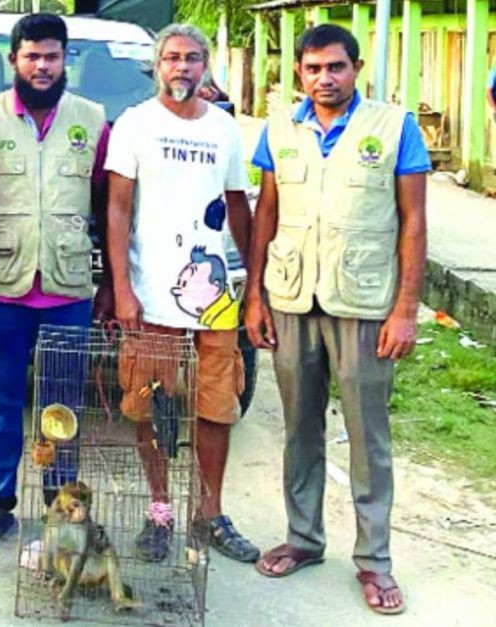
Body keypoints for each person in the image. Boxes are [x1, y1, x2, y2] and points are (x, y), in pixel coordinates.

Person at [245, 24, 430, 615]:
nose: (325, 78)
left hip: (366, 303)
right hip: (292, 297)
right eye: (313, 68)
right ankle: (304, 539)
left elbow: (414, 221)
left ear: (355, 70)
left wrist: (405, 309)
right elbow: (266, 212)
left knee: (367, 438)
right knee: (299, 428)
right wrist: (255, 296)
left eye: (336, 68)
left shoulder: (394, 127)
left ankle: (374, 561)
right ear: (299, 71)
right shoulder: (278, 128)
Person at [0, 13, 109, 548]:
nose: (42, 66)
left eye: (52, 56)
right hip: (1, 283)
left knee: (62, 401)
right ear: (14, 59)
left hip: (67, 287)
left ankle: (60, 501)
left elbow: (107, 205)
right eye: (32, 56)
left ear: (66, 61)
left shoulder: (93, 119)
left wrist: (107, 281)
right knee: (0, 399)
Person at [106, 23, 259, 563]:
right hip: (151, 296)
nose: (182, 68)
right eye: (172, 57)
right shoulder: (134, 125)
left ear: (205, 67)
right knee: (149, 408)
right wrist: (122, 288)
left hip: (215, 301)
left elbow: (238, 207)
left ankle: (210, 513)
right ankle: (160, 511)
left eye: (193, 58)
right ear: (157, 65)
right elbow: (118, 208)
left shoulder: (223, 129)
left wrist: (254, 289)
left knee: (217, 408)